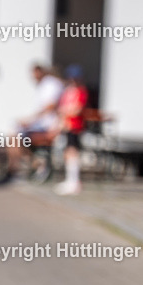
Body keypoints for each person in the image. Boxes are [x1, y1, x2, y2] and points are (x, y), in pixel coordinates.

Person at [6, 63, 63, 181]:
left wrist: (30, 121)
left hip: (48, 127)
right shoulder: (44, 86)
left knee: (14, 139)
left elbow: (49, 107)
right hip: (40, 125)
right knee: (11, 138)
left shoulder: (52, 85)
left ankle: (33, 165)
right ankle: (23, 167)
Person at [54, 65, 88, 196]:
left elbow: (77, 109)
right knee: (67, 152)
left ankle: (74, 181)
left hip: (75, 125)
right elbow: (61, 107)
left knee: (73, 151)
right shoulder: (67, 91)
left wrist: (66, 111)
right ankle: (69, 180)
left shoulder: (81, 91)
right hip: (66, 125)